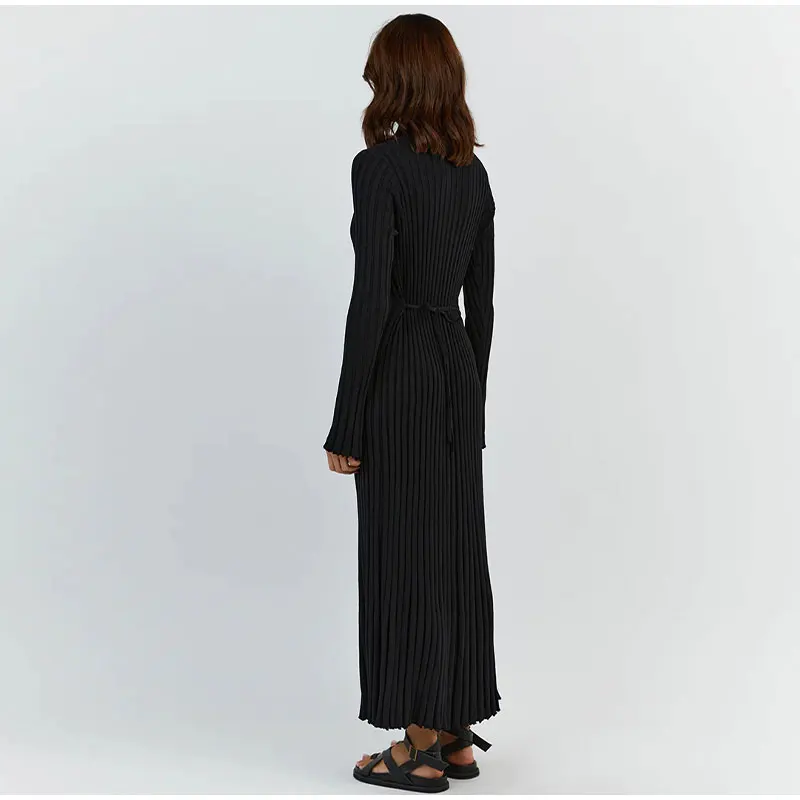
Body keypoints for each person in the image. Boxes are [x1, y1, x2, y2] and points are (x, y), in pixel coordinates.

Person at [323, 13, 500, 793]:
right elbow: (481, 304)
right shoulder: (473, 174)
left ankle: (417, 746)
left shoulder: (379, 168)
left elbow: (372, 299)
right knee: (453, 549)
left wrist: (346, 421)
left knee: (404, 552)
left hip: (400, 372)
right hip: (455, 370)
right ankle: (455, 730)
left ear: (393, 78)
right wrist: (473, 401)